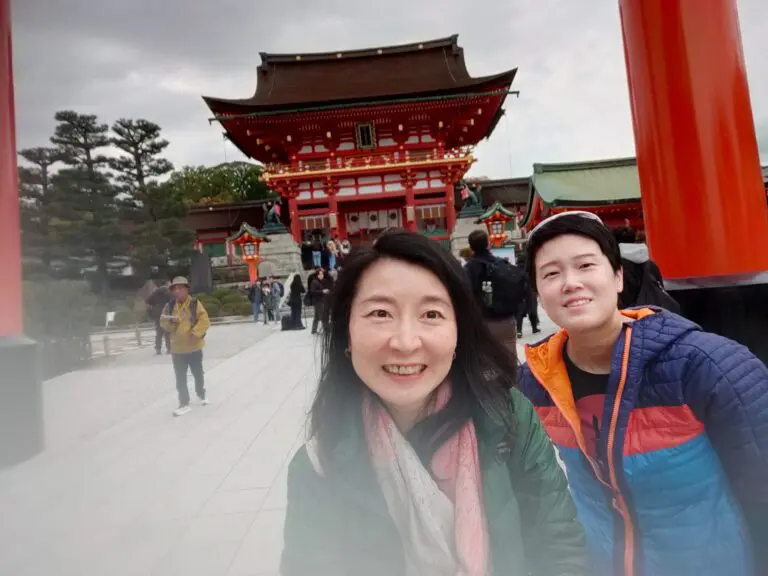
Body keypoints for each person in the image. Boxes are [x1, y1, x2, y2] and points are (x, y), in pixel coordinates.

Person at [280, 230, 589, 576]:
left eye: (431, 315)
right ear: (346, 335)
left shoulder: (508, 418)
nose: (406, 342)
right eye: (380, 313)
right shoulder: (319, 464)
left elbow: (560, 549)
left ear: (459, 331)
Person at [518, 211, 768, 575]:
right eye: (552, 274)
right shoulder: (535, 383)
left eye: (585, 265)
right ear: (539, 293)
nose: (570, 283)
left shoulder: (707, 367)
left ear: (618, 277)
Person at [464, 229, 527, 361]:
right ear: (489, 244)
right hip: (507, 320)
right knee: (510, 357)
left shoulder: (469, 269)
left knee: (487, 361)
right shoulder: (502, 264)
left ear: (471, 247)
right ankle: (512, 380)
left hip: (483, 322)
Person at [160, 276, 211, 417]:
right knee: (180, 377)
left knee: (198, 373)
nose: (177, 291)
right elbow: (162, 322)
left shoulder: (195, 304)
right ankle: (184, 403)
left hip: (194, 346)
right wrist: (171, 323)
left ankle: (201, 393)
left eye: (180, 288)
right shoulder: (170, 306)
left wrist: (196, 333)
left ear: (187, 289)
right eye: (175, 288)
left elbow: (204, 320)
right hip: (177, 349)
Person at [146, 279, 174, 355]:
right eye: (170, 283)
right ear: (167, 284)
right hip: (165, 313)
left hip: (157, 314)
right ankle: (169, 349)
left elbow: (148, 301)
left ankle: (158, 349)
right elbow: (173, 302)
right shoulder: (168, 292)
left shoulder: (155, 292)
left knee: (159, 332)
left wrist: (155, 305)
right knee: (167, 331)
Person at [308, 269, 329, 335]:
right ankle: (326, 330)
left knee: (316, 317)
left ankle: (313, 330)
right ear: (317, 275)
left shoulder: (320, 281)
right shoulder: (314, 282)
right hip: (318, 301)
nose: (321, 275)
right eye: (320, 274)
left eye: (322, 274)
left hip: (321, 300)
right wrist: (322, 291)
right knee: (323, 316)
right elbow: (313, 292)